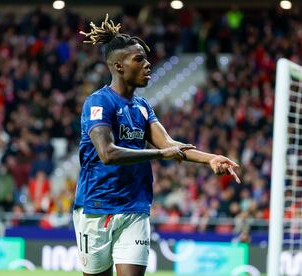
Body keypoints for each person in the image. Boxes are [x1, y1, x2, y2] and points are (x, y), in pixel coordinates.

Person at [74, 14, 240, 276]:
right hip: (97, 207)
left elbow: (170, 144)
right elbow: (107, 153)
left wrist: (210, 158)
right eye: (138, 59)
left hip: (135, 207)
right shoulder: (98, 103)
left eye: (146, 58)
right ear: (118, 66)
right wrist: (161, 153)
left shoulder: (142, 107)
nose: (147, 64)